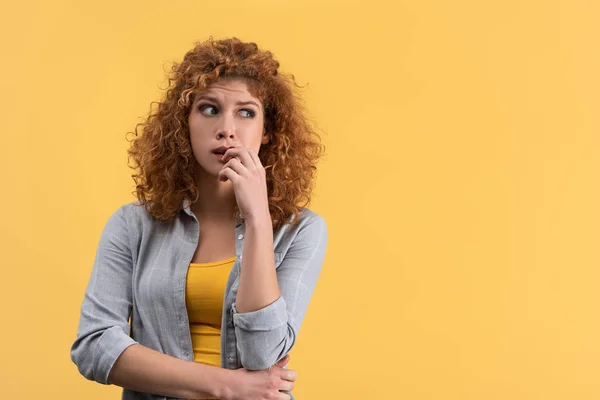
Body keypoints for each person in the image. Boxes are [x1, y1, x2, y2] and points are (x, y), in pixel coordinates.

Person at [70, 37, 328, 400]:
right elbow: (95, 345)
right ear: (184, 122)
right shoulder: (133, 226)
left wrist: (257, 219)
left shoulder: (300, 230)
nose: (226, 129)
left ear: (267, 130)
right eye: (209, 109)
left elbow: (263, 354)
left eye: (246, 112)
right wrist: (226, 386)